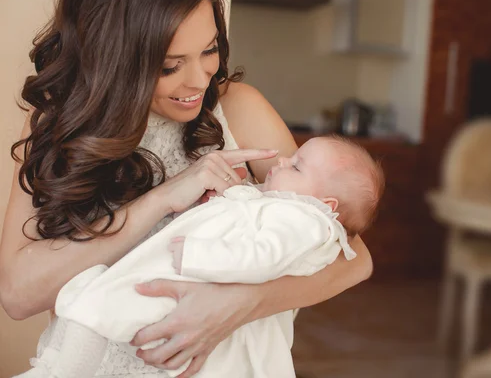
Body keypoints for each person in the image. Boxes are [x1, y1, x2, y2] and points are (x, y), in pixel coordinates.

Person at [0, 0, 374, 377]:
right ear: (113, 58)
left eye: (209, 50)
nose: (199, 80)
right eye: (169, 65)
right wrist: (161, 199)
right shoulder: (59, 125)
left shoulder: (239, 108)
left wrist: (238, 305)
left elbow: (352, 258)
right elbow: (18, 295)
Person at [19, 136, 385, 378]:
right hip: (168, 277)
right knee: (93, 303)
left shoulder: (307, 221)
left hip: (187, 282)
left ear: (326, 205)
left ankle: (59, 370)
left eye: (298, 166)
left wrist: (199, 255)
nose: (285, 159)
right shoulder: (281, 202)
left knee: (100, 309)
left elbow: (261, 256)